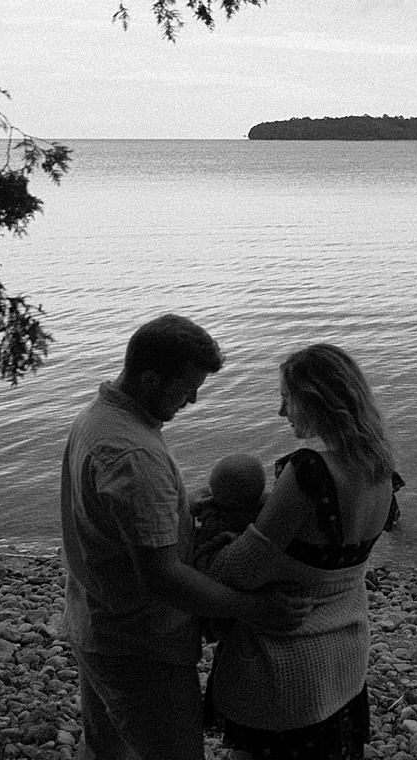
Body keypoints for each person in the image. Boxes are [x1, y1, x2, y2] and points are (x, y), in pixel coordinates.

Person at [59, 314, 305, 759]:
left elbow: (114, 520)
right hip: (142, 647)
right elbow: (163, 577)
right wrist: (255, 608)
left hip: (95, 622)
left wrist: (179, 509)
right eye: (186, 388)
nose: (192, 400)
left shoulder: (99, 418)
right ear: (151, 378)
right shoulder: (133, 454)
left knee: (106, 752)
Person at [204, 343, 399, 758]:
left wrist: (216, 533)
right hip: (345, 658)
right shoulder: (379, 467)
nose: (281, 412)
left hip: (290, 669)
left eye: (285, 399)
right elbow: (322, 541)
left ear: (313, 400)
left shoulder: (309, 470)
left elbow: (240, 570)